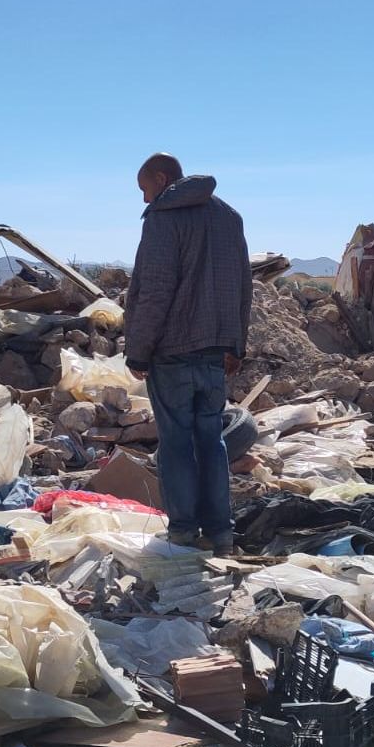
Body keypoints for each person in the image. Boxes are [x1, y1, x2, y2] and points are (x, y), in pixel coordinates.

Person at [124, 153, 252, 555]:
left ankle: (182, 531)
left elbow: (155, 290)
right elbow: (243, 284)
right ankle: (221, 533)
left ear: (162, 179)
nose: (144, 199)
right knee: (211, 442)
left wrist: (138, 351)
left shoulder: (163, 217)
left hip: (172, 353)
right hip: (214, 351)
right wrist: (236, 343)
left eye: (145, 189)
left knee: (176, 443)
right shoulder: (228, 217)